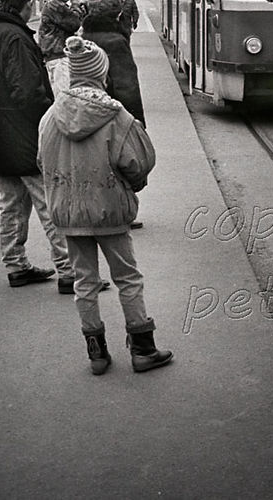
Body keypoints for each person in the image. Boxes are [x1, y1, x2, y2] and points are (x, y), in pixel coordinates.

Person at [38, 36, 173, 376]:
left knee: (84, 281)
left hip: (69, 214)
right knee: (128, 277)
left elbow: (42, 162)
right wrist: (133, 185)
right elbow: (138, 162)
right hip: (109, 209)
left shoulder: (49, 117)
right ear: (101, 73)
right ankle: (143, 349)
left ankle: (96, 353)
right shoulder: (116, 115)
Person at [0, 0, 74, 291]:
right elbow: (29, 92)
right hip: (26, 135)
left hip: (1, 134)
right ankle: (70, 271)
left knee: (11, 205)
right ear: (28, 5)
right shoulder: (16, 38)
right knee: (49, 202)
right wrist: (50, 121)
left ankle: (16, 265)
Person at [38, 0, 84, 93]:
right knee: (63, 95)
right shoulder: (55, 4)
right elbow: (74, 23)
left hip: (54, 55)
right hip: (58, 56)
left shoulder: (55, 3)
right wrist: (75, 5)